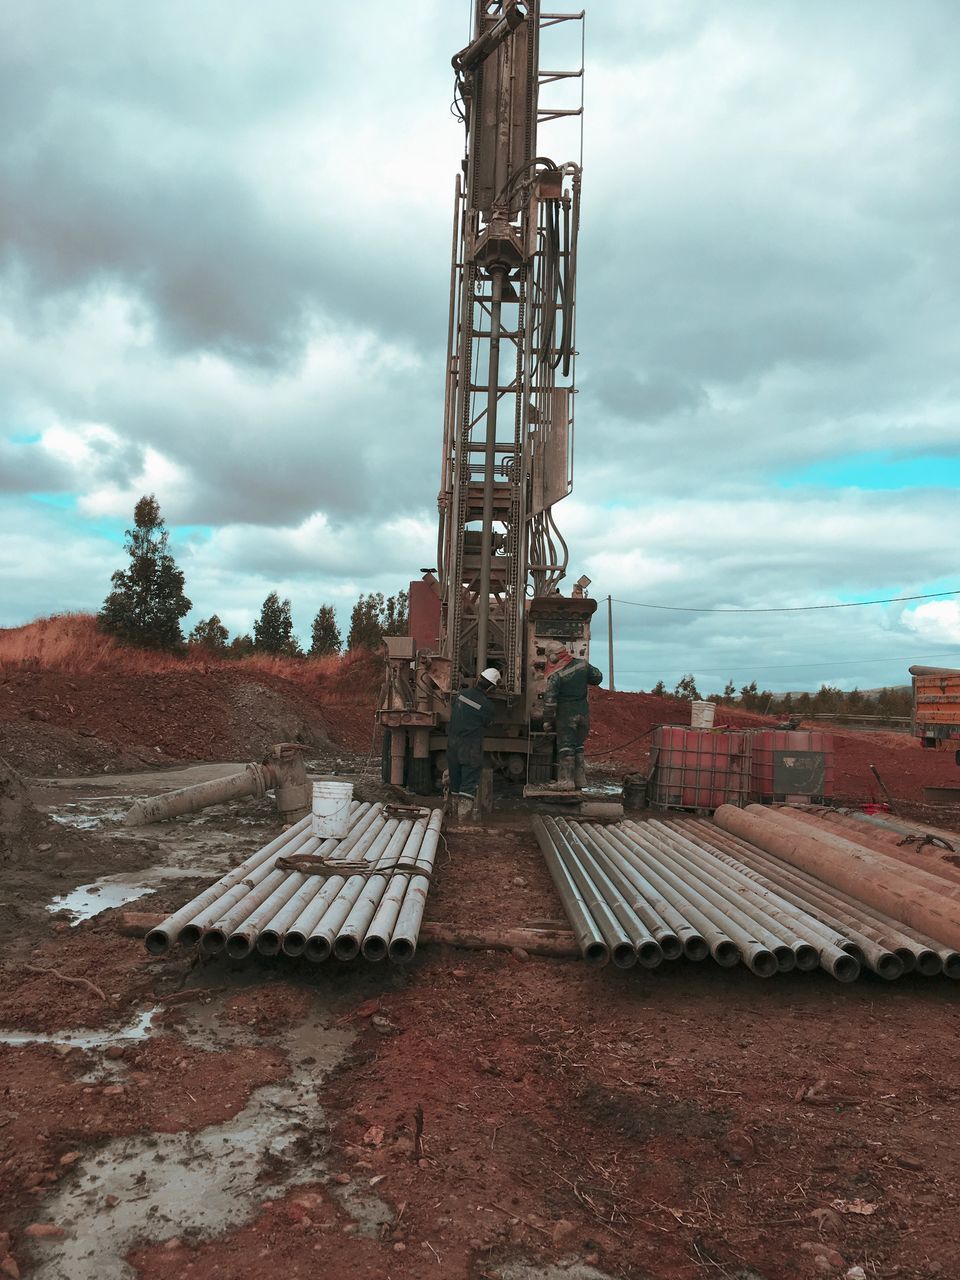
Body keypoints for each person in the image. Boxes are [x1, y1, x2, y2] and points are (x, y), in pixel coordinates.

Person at [542, 643, 603, 789]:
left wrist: (547, 721)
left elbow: (550, 703)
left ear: (552, 656)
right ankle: (580, 780)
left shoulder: (555, 676)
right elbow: (598, 677)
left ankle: (566, 782)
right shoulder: (582, 665)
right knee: (578, 746)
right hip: (583, 714)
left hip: (566, 716)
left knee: (566, 748)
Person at [447, 667, 500, 818]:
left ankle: (452, 816)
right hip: (470, 747)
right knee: (468, 786)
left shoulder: (461, 695)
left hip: (452, 745)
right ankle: (462, 821)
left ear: (478, 679)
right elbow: (488, 723)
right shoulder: (487, 705)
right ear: (491, 687)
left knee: (455, 783)